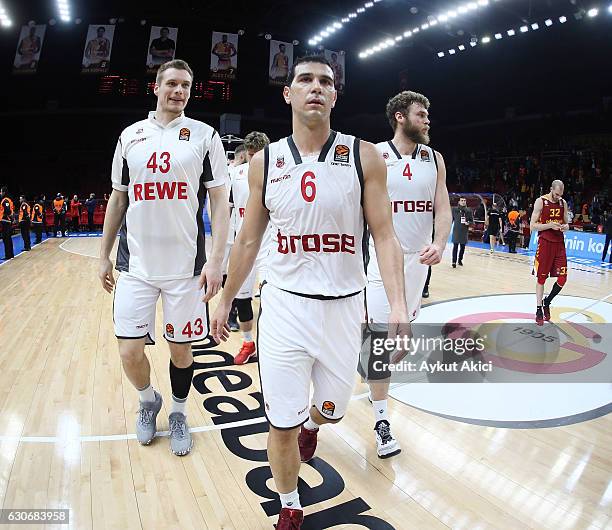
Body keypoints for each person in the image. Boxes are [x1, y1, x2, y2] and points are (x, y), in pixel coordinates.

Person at [209, 56, 409, 529]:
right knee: (280, 423)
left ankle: (314, 426)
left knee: (333, 412)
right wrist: (225, 296)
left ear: (335, 95)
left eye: (325, 81)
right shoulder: (266, 161)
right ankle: (290, 505)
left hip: (343, 308)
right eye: (305, 80)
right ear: (288, 93)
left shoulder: (364, 157)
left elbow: (384, 234)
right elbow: (249, 239)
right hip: (284, 307)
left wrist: (398, 304)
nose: (316, 88)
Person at [98, 59, 230, 456]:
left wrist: (217, 261)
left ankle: (176, 412)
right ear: (155, 87)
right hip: (136, 265)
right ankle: (147, 400)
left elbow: (220, 203)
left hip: (185, 269)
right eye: (171, 83)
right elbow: (118, 197)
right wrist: (103, 256)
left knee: (180, 351)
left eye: (186, 85)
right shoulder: (130, 136)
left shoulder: (205, 137)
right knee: (128, 350)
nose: (179, 91)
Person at [367, 90, 451, 457]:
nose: (428, 119)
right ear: (400, 117)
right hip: (379, 261)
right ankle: (381, 420)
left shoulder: (435, 159)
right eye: (421, 114)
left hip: (417, 266)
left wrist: (441, 241)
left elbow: (443, 209)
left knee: (394, 345)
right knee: (380, 340)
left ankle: (372, 382)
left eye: (428, 114)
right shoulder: (374, 154)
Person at [227, 131, 270, 364]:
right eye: (251, 154)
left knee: (270, 299)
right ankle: (248, 342)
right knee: (242, 298)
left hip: (269, 247)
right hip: (242, 244)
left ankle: (269, 344)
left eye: (259, 155)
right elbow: (229, 208)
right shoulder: (237, 174)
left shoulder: (278, 173)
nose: (254, 159)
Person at [530, 180, 569, 325]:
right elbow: (533, 226)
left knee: (563, 278)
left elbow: (566, 222)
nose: (559, 197)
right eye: (557, 194)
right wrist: (549, 225)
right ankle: (539, 308)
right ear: (551, 189)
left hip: (559, 243)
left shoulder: (562, 203)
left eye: (561, 195)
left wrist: (565, 226)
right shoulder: (541, 201)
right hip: (545, 243)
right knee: (541, 279)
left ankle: (547, 301)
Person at [451, 197, 473, 267]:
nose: (463, 202)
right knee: (455, 246)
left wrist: (468, 223)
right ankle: (453, 261)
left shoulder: (469, 210)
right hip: (456, 230)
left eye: (464, 200)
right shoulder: (454, 209)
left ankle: (460, 260)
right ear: (459, 202)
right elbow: (451, 219)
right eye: (462, 200)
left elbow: (472, 221)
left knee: (462, 247)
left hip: (464, 231)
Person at [0, 187, 14, 260]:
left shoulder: (5, 200)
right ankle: (10, 254)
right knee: (8, 239)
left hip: (6, 222)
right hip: (7, 222)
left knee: (6, 239)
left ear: (4, 192)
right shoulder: (7, 200)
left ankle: (8, 255)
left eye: (1, 192)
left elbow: (8, 211)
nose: (0, 193)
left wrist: (6, 215)